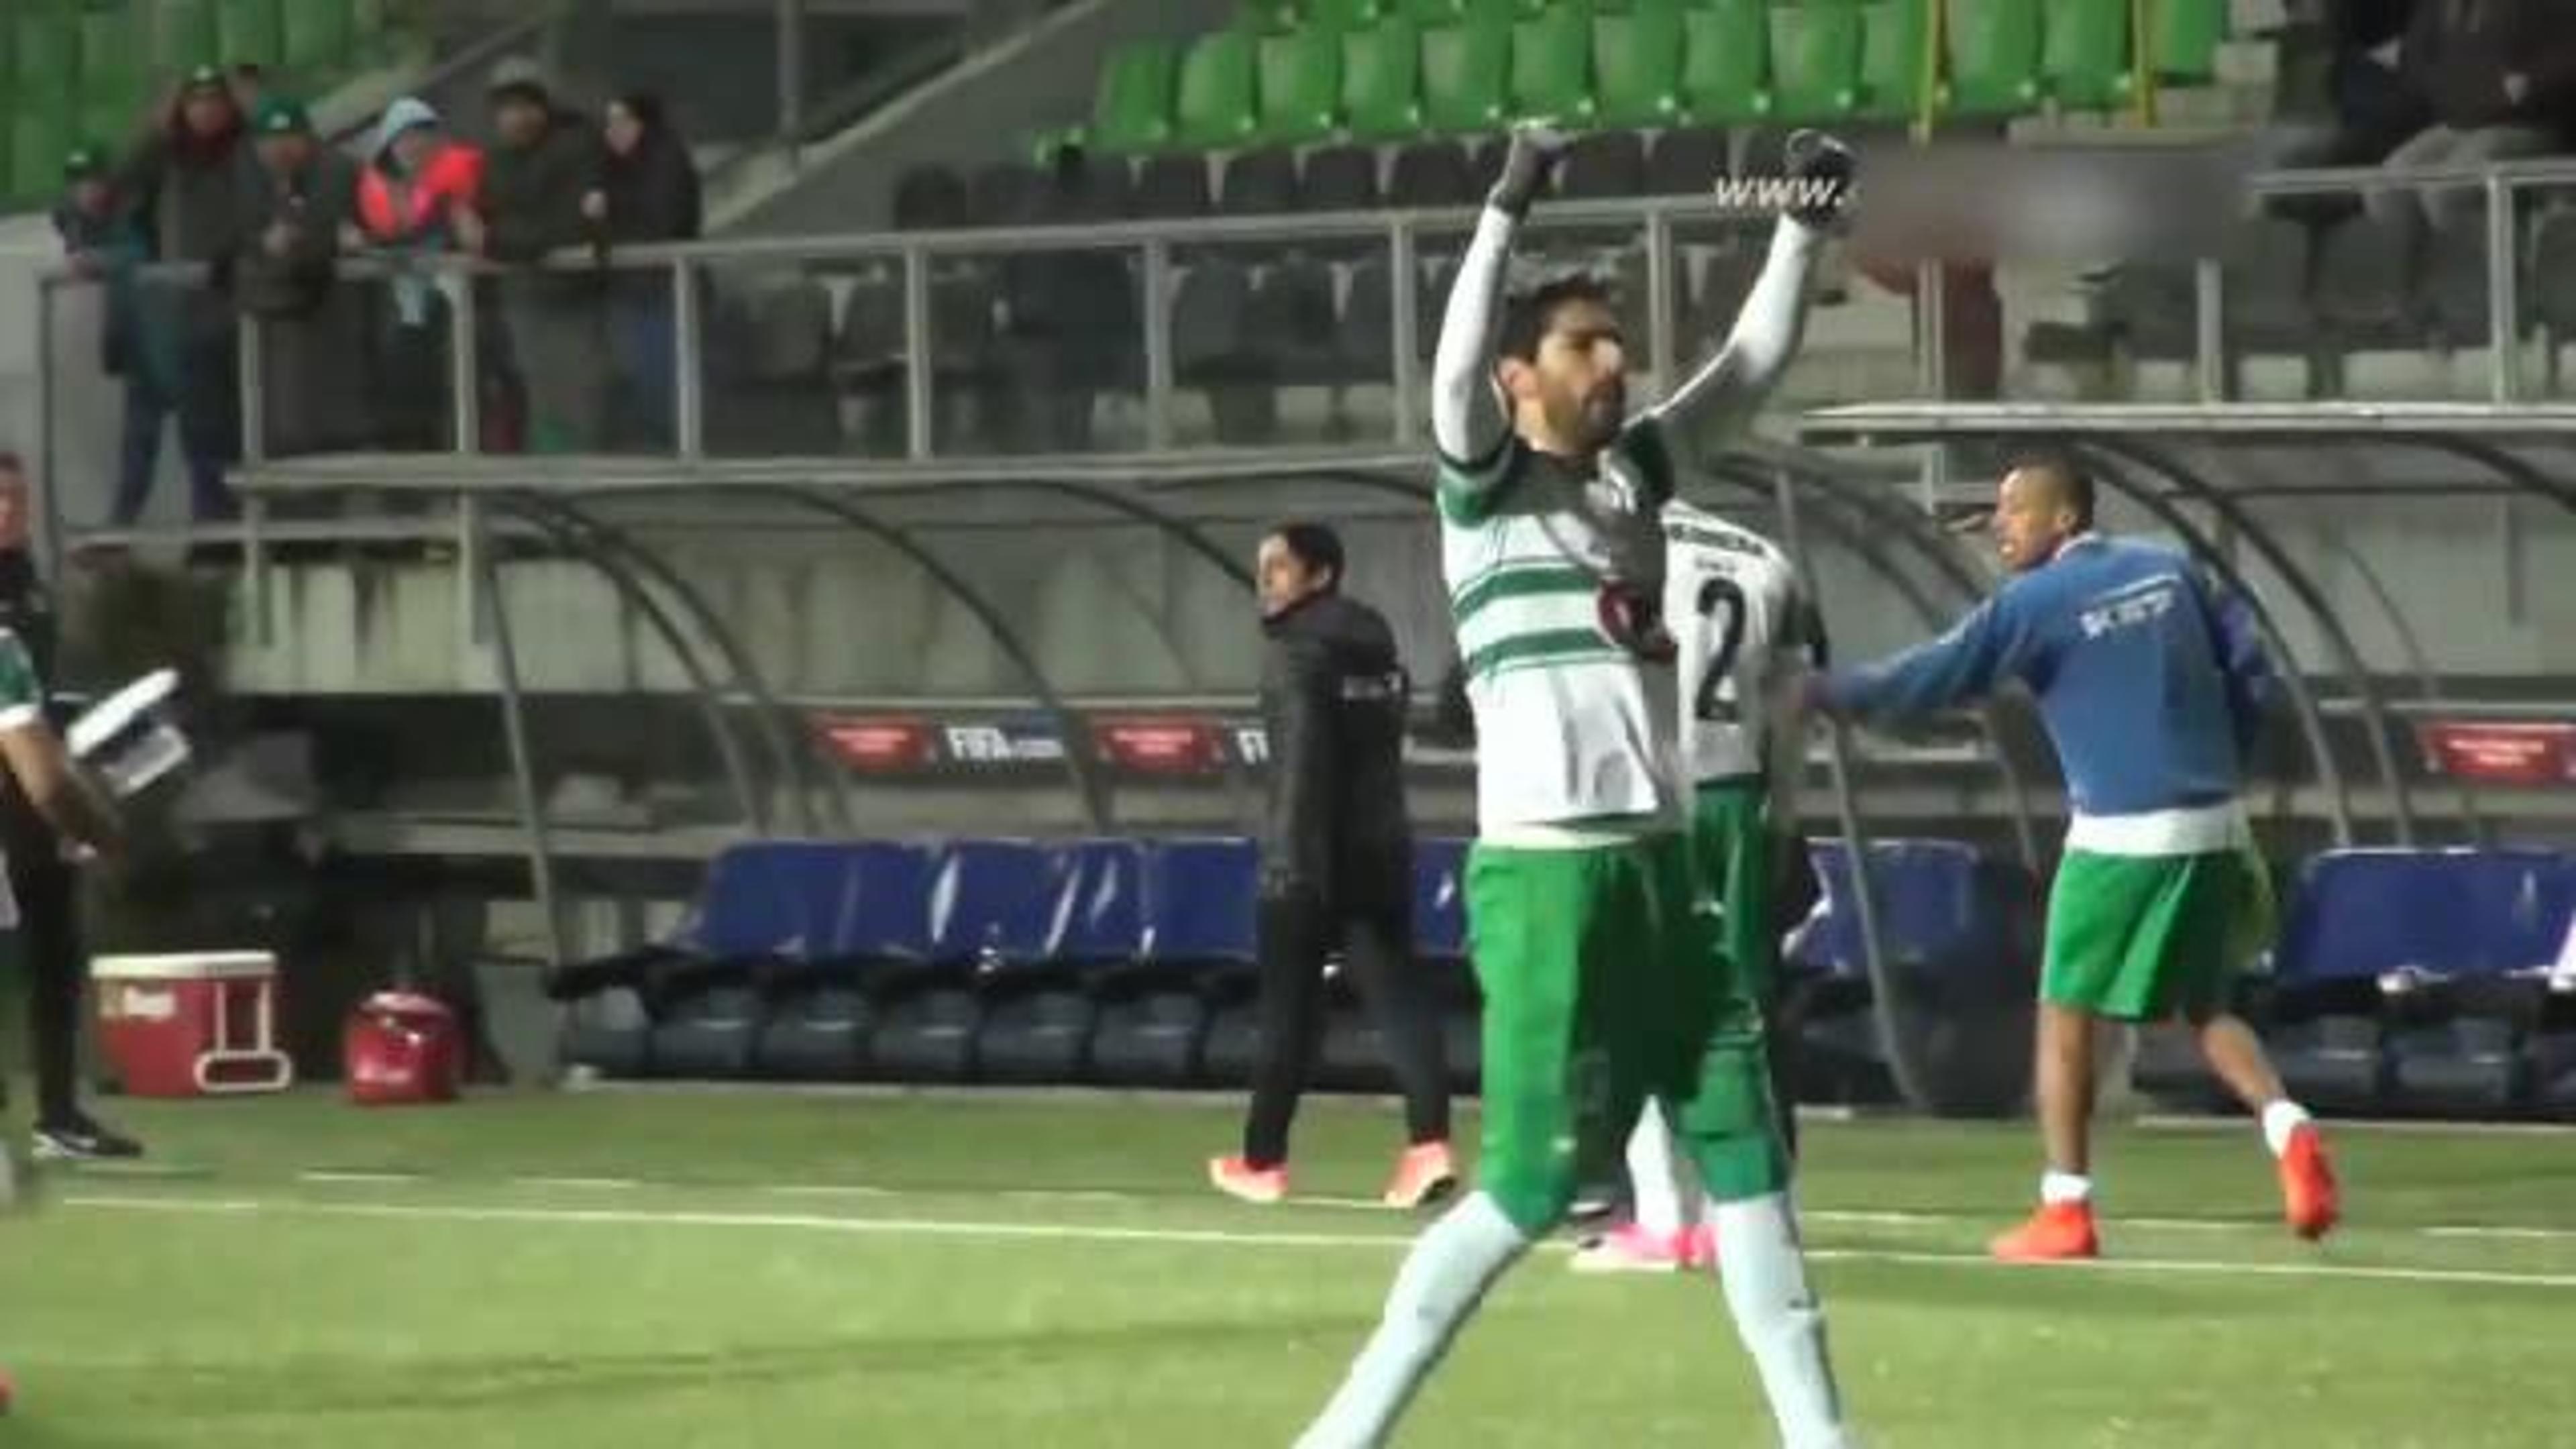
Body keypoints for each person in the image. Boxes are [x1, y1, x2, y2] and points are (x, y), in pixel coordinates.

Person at [1294, 124, 1857, 1449]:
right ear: (1518, 378)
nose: (1615, 362)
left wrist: (1805, 222)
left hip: (1663, 874)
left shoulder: (1633, 483)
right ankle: (1345, 1432)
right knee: (1531, 1189)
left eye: (1618, 343)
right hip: (1548, 881)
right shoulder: (1483, 493)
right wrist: (1507, 201)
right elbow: (1448, 368)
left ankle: (1824, 1439)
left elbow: (1754, 365)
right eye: (1584, 345)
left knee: (1749, 1153)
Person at [1803, 455, 2341, 1263]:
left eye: (2014, 509)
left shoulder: (2036, 602)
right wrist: (2220, 761)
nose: (1997, 524)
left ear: (2066, 519)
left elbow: (1929, 678)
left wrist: (1819, 693)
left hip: (2122, 834)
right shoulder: (2170, 567)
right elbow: (2251, 671)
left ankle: (2067, 1208)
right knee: (2202, 1002)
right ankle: (2288, 1129)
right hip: (2216, 822)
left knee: (2063, 1015)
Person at [1568, 495, 1827, 1274]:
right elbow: (1795, 702)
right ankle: (1746, 1216)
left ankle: (1664, 1221)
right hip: (1737, 794)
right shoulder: (1764, 555)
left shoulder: (1608, 542)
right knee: (1739, 1009)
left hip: (1652, 794)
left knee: (1633, 1000)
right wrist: (1782, 812)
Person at [1208, 522, 1456, 1212]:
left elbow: (1302, 768)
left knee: (1289, 1010)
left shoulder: (1296, 656)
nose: (1266, 581)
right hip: (1381, 849)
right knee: (1399, 999)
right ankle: (1428, 1145)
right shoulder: (1378, 651)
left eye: (1280, 568)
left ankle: (1262, 1161)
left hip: (1310, 856)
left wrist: (1289, 864)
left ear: (1320, 576)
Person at [0, 456, 140, 1160]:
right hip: (17, 793)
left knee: (55, 956)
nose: (8, 509)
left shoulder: (30, 590)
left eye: (17, 496)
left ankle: (57, 1113)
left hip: (31, 797)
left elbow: (44, 701)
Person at [114, 64, 252, 526]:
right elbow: (121, 182)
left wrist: (254, 107)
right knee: (202, 434)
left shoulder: (247, 151)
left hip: (245, 312)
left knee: (247, 430)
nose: (206, 110)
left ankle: (247, 529)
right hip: (189, 317)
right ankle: (211, 531)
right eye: (196, 101)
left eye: (216, 99)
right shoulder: (169, 158)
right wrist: (156, 125)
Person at [472, 58, 609, 454]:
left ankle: (579, 484)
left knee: (573, 396)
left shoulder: (577, 146)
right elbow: (485, 212)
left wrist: (492, 238)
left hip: (571, 299)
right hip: (522, 299)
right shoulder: (496, 160)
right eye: (506, 108)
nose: (515, 117)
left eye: (524, 106)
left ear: (542, 107)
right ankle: (551, 480)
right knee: (536, 396)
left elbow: (564, 227)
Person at [233, 96, 369, 461]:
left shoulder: (337, 171)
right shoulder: (248, 179)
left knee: (333, 422)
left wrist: (292, 245)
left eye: (290, 137)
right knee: (286, 424)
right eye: (269, 140)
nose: (279, 148)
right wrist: (264, 245)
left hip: (334, 316)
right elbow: (236, 238)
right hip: (281, 320)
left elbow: (330, 233)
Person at [356, 97, 486, 451]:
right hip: (401, 320)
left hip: (463, 315)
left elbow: (478, 237)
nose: (414, 145)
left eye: (422, 135)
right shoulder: (370, 196)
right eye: (404, 138)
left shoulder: (463, 188)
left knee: (468, 391)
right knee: (405, 394)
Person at [594, 92, 702, 449]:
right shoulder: (612, 168)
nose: (614, 131)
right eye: (609, 123)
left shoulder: (667, 160)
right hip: (634, 292)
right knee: (639, 378)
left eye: (623, 122)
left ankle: (680, 451)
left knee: (663, 379)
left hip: (666, 292)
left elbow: (663, 219)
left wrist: (612, 206)